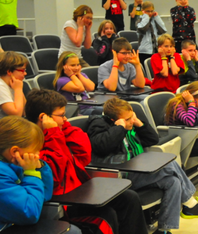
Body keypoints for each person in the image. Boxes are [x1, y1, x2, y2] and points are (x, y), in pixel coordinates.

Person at [25, 89, 149, 234]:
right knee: (107, 215)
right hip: (64, 202)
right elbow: (55, 177)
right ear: (43, 117)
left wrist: (62, 128)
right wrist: (53, 135)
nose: (65, 119)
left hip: (80, 191)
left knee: (129, 198)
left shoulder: (59, 133)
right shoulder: (32, 144)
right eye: (62, 115)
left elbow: (84, 155)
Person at [87, 97, 198, 234]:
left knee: (173, 182)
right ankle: (190, 203)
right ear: (114, 120)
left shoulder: (132, 124)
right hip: (121, 175)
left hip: (138, 169)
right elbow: (102, 146)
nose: (131, 121)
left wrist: (139, 123)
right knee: (169, 164)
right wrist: (120, 128)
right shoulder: (99, 125)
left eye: (132, 116)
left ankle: (164, 230)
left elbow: (152, 139)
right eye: (127, 119)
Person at [0, 116, 54, 232]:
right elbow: (29, 213)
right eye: (35, 151)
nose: (38, 155)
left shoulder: (15, 166)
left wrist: (39, 168)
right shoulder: (1, 176)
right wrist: (31, 174)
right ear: (15, 152)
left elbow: (44, 195)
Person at [53, 51, 103, 116]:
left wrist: (79, 74)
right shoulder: (61, 80)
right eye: (73, 65)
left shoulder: (81, 75)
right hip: (76, 110)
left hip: (89, 106)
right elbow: (80, 88)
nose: (76, 68)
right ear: (63, 66)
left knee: (110, 111)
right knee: (100, 114)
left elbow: (91, 88)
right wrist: (71, 75)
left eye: (78, 64)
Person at [0, 51, 27, 119]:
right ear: (9, 72)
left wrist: (18, 89)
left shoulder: (13, 84)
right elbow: (16, 115)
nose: (25, 73)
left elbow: (25, 112)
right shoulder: (1, 86)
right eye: (22, 70)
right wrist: (18, 89)